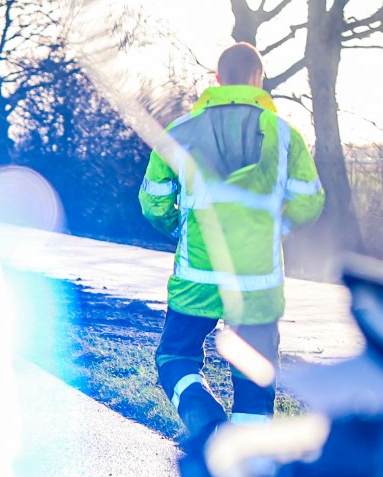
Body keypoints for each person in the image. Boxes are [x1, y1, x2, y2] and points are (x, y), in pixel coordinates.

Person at [139, 42, 325, 437]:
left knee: (175, 357)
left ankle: (207, 425)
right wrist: (275, 229)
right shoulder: (284, 135)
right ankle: (249, 466)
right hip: (257, 284)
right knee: (254, 373)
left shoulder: (181, 132)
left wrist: (179, 228)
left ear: (218, 80)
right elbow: (309, 203)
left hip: (196, 281)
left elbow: (153, 201)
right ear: (259, 79)